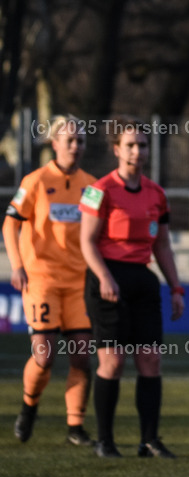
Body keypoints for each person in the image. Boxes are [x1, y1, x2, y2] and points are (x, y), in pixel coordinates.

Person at [79, 116, 185, 458]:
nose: (137, 151)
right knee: (112, 362)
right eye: (130, 145)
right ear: (116, 150)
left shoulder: (157, 194)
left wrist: (176, 288)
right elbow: (87, 242)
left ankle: (149, 440)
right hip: (107, 279)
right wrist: (105, 278)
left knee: (151, 361)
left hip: (142, 280)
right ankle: (105, 441)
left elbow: (163, 245)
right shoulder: (100, 190)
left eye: (142, 145)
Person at [3, 116, 95, 447]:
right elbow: (9, 223)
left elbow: (97, 232)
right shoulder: (37, 181)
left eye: (80, 140)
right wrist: (17, 265)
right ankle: (29, 406)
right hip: (41, 279)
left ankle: (75, 426)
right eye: (69, 140)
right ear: (54, 144)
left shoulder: (92, 187)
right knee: (44, 355)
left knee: (82, 354)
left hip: (79, 283)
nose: (75, 146)